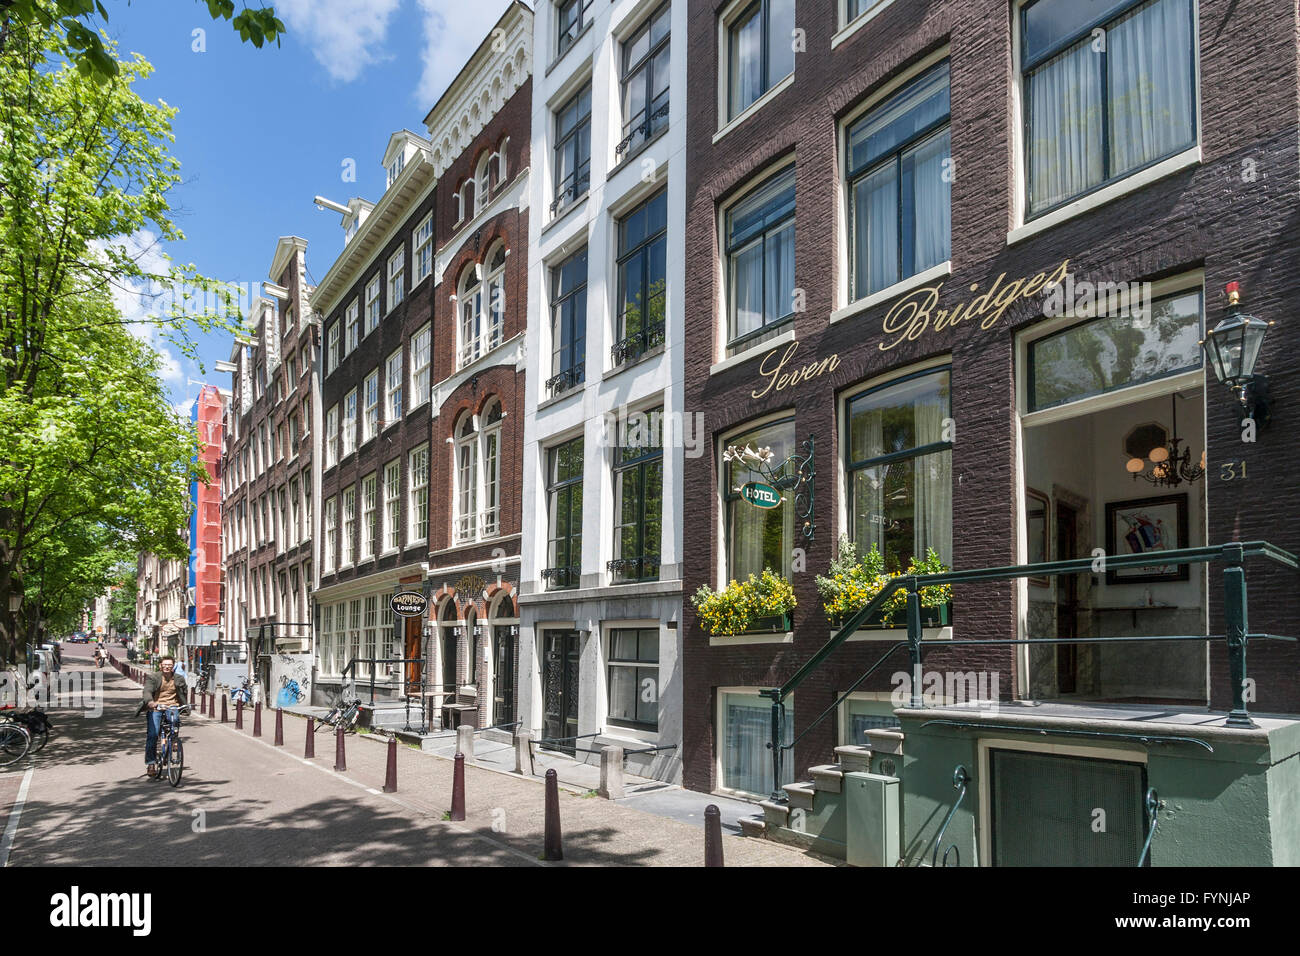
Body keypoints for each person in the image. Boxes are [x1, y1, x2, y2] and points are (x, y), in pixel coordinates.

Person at [138, 656, 188, 778]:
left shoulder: (179, 678)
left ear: (173, 666)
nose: (167, 667)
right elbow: (147, 691)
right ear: (160, 665)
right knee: (153, 735)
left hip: (172, 706)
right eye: (165, 664)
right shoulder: (153, 677)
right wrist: (150, 702)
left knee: (175, 719)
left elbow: (184, 692)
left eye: (170, 665)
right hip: (156, 707)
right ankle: (151, 763)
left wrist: (185, 705)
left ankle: (174, 739)